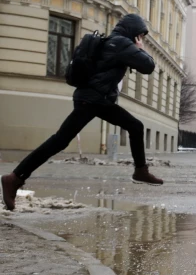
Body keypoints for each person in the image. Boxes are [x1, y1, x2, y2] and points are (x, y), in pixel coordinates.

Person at [1, 14, 162, 211]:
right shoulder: (122, 44)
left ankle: (140, 170)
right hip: (94, 100)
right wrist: (141, 50)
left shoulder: (110, 41)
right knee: (59, 140)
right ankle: (14, 178)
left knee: (134, 126)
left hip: (94, 99)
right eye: (140, 35)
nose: (141, 39)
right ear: (134, 32)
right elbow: (148, 66)